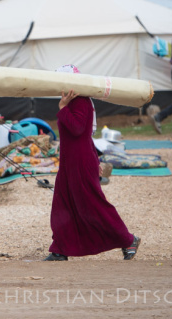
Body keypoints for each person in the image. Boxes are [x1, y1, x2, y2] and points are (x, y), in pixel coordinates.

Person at [45, 64, 140, 262]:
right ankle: (60, 249)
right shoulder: (73, 101)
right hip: (70, 162)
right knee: (63, 205)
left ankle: (128, 239)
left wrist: (62, 109)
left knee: (93, 205)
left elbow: (78, 129)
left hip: (80, 162)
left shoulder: (81, 101)